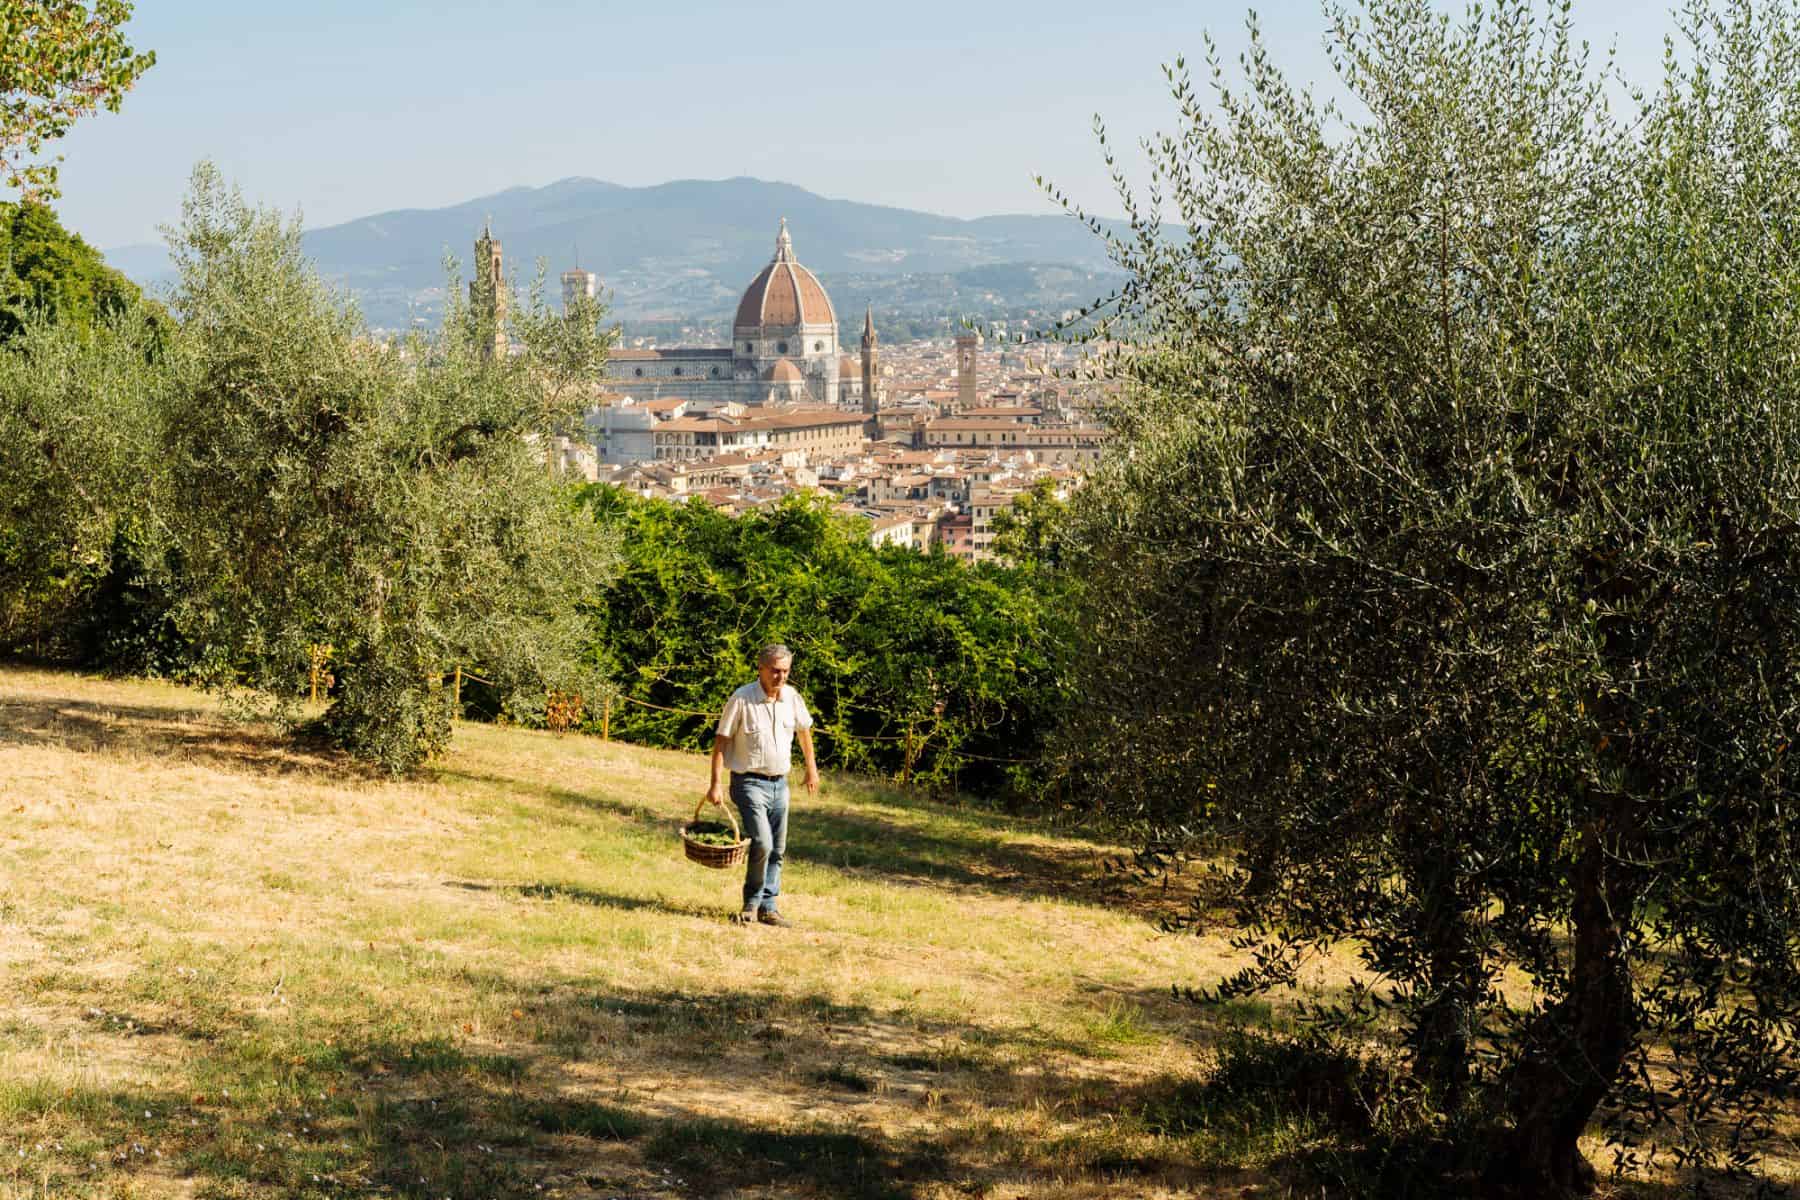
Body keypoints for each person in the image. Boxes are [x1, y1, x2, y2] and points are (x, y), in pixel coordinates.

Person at [705, 643, 818, 926]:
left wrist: (811, 770)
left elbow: (804, 733)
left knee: (778, 848)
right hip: (748, 783)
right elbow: (721, 742)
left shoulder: (792, 697)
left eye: (785, 671)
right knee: (763, 843)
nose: (780, 677)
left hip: (780, 784)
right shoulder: (742, 698)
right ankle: (750, 905)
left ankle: (769, 907)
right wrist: (715, 784)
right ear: (761, 669)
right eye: (775, 671)